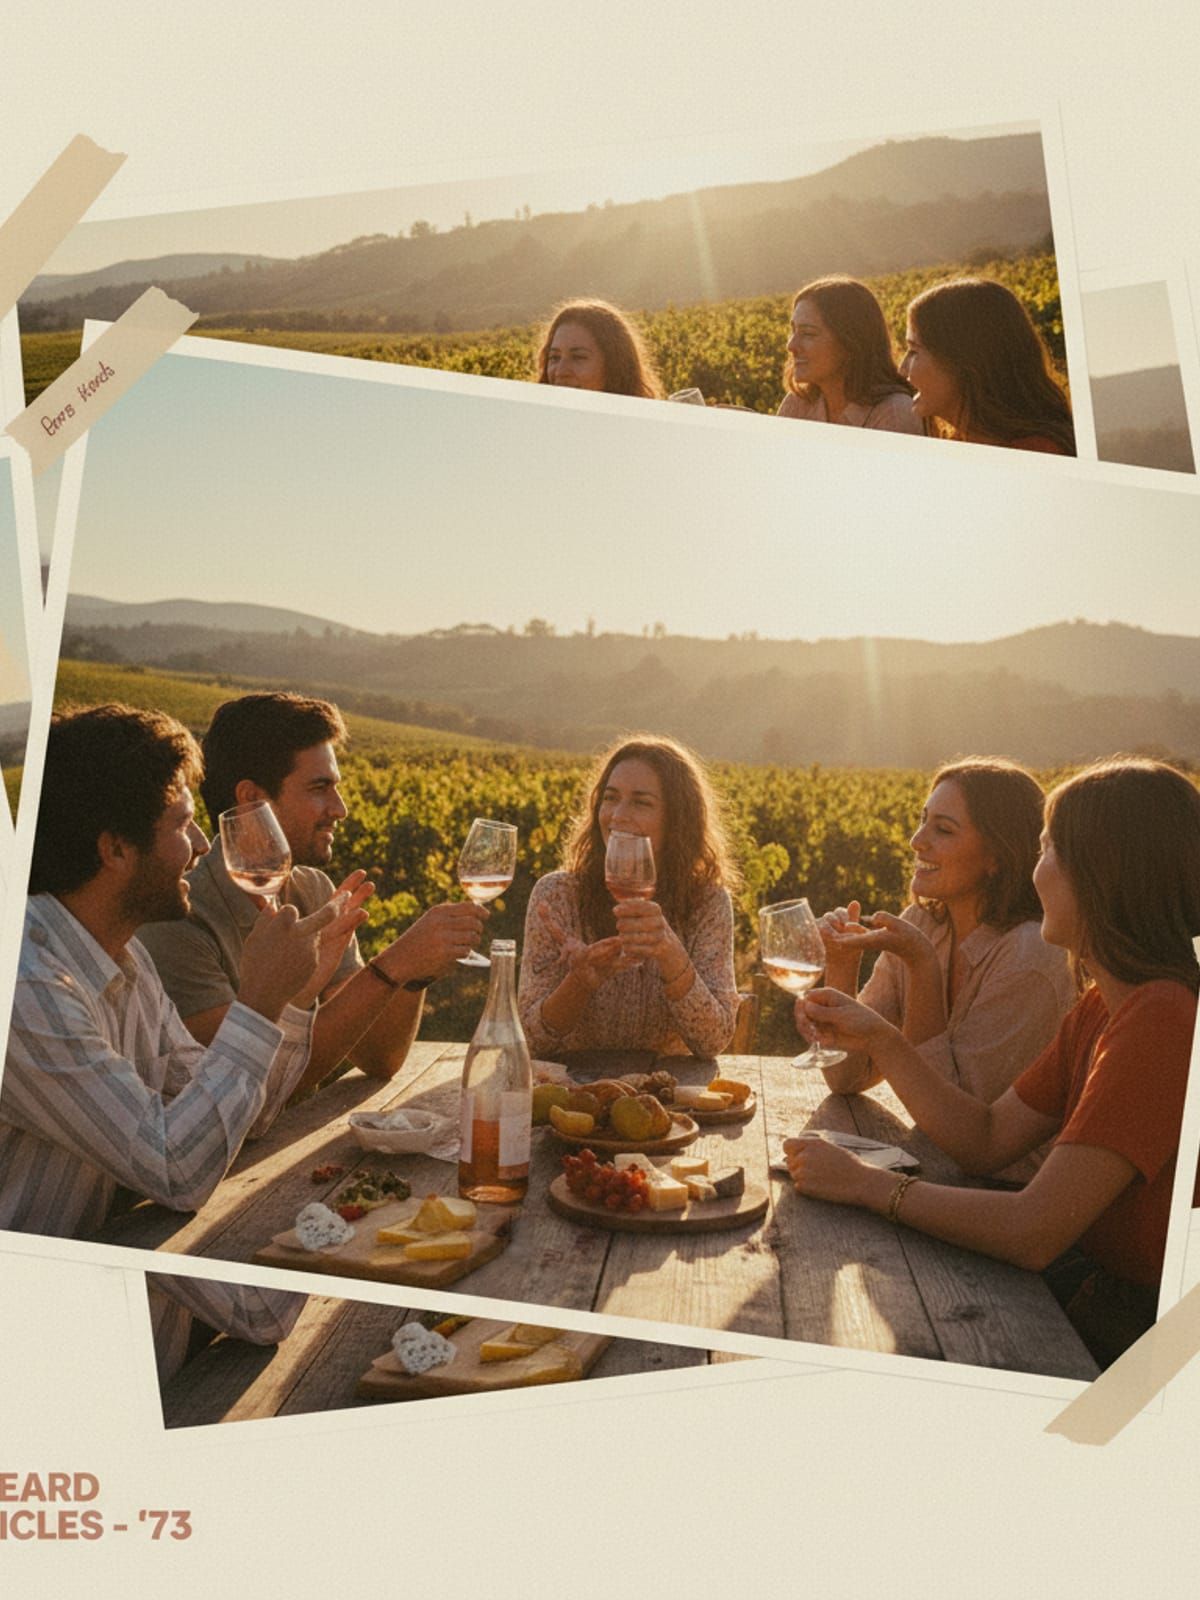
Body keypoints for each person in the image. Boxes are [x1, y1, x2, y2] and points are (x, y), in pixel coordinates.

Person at [786, 757, 1200, 1369]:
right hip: (1107, 1291)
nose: (1038, 874)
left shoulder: (1165, 1017)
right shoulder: (1100, 1008)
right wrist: (880, 1036)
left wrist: (867, 1185)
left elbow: (1032, 1231)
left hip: (1152, 1331)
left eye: (1050, 850)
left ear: (1105, 875)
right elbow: (984, 1138)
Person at [0, 702, 361, 1238]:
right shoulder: (28, 989)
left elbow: (243, 1121)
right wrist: (260, 1003)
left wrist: (290, 996)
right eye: (183, 825)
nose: (201, 846)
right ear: (116, 850)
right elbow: (177, 1168)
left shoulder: (126, 961)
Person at [138, 692, 485, 1094]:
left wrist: (412, 975)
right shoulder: (178, 919)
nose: (340, 808)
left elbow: (378, 1056)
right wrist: (392, 965)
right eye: (320, 788)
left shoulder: (312, 890)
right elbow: (264, 1087)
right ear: (252, 800)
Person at [809, 760, 1076, 1158]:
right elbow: (847, 1077)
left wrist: (921, 967)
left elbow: (957, 1135)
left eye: (943, 829)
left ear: (996, 857)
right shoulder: (923, 924)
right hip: (934, 1170)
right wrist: (842, 966)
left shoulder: (1029, 958)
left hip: (1001, 1193)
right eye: (922, 820)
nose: (918, 840)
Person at [518, 735, 739, 1057]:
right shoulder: (557, 896)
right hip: (573, 1098)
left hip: (665, 1098)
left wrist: (670, 952)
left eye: (641, 802)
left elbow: (712, 1042)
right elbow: (531, 1041)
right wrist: (579, 983)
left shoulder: (707, 903)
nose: (618, 815)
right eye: (610, 798)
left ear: (678, 818)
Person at [901, 277, 1076, 454]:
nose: (902, 369)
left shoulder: (1035, 453)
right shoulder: (965, 442)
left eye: (914, 351)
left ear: (963, 362)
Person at [777, 276, 924, 434]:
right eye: (793, 331)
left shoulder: (893, 414)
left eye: (808, 334)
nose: (791, 345)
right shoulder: (797, 404)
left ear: (851, 341)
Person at [534, 299, 664, 397]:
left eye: (578, 357)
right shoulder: (531, 425)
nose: (560, 372)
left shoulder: (643, 429)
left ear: (614, 364)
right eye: (554, 357)